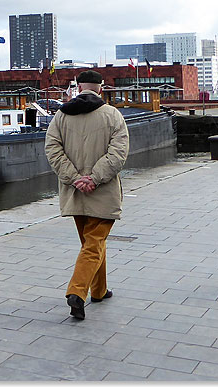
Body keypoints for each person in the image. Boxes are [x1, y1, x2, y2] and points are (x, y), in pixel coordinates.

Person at [44, 69, 128, 320]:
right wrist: (94, 178)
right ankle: (77, 292)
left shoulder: (60, 116)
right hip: (102, 192)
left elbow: (52, 149)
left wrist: (75, 179)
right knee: (93, 244)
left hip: (75, 193)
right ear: (100, 88)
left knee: (90, 243)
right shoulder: (112, 115)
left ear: (78, 88)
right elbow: (118, 153)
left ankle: (99, 290)